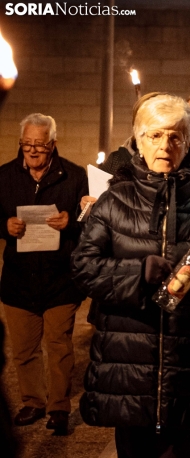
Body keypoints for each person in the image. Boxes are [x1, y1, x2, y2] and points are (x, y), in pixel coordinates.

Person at [71, 94, 190, 458]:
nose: (164, 146)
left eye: (174, 136)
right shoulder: (113, 203)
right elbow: (84, 269)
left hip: (189, 371)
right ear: (139, 140)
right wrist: (137, 274)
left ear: (189, 141)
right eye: (154, 136)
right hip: (127, 365)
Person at [0, 113, 88, 435]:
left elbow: (92, 220)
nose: (33, 151)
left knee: (59, 346)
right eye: (27, 145)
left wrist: (73, 222)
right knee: (24, 349)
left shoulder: (75, 176)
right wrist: (4, 226)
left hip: (60, 279)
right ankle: (33, 402)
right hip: (19, 280)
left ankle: (59, 407)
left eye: (40, 145)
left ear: (53, 144)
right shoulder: (4, 176)